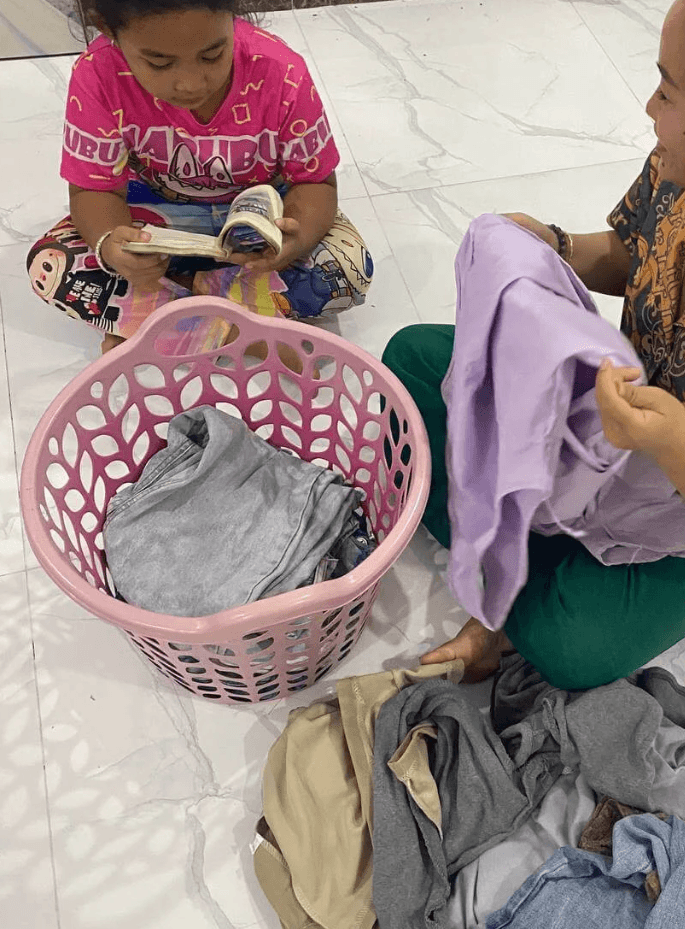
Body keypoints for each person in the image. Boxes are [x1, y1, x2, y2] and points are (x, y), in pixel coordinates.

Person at [382, 0, 685, 690]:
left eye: (666, 91)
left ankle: (511, 561)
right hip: (617, 424)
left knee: (572, 647)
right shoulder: (674, 167)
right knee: (410, 365)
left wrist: (668, 438)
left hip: (671, 503)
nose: (647, 107)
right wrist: (554, 245)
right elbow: (627, 248)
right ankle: (521, 546)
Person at [27, 0, 373, 353]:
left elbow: (315, 182)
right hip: (158, 223)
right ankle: (243, 332)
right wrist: (112, 247)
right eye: (159, 62)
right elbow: (93, 190)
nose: (191, 83)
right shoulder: (98, 74)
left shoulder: (281, 71)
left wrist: (294, 242)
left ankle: (160, 321)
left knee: (348, 269)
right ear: (107, 29)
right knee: (52, 265)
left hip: (257, 227)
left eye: (212, 55)